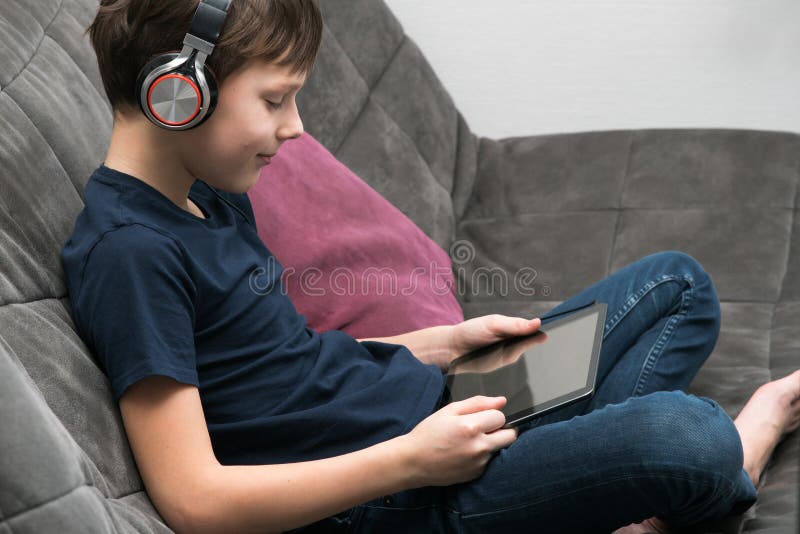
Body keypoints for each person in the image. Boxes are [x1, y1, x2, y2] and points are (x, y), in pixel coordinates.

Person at [60, 1, 800, 532]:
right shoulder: (131, 254)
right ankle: (722, 460)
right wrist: (413, 463)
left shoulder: (204, 191)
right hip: (401, 495)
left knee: (678, 286)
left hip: (438, 406)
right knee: (693, 439)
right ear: (177, 94)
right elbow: (195, 500)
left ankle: (600, 489)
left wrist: (434, 346)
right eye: (277, 100)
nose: (295, 129)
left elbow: (277, 367)